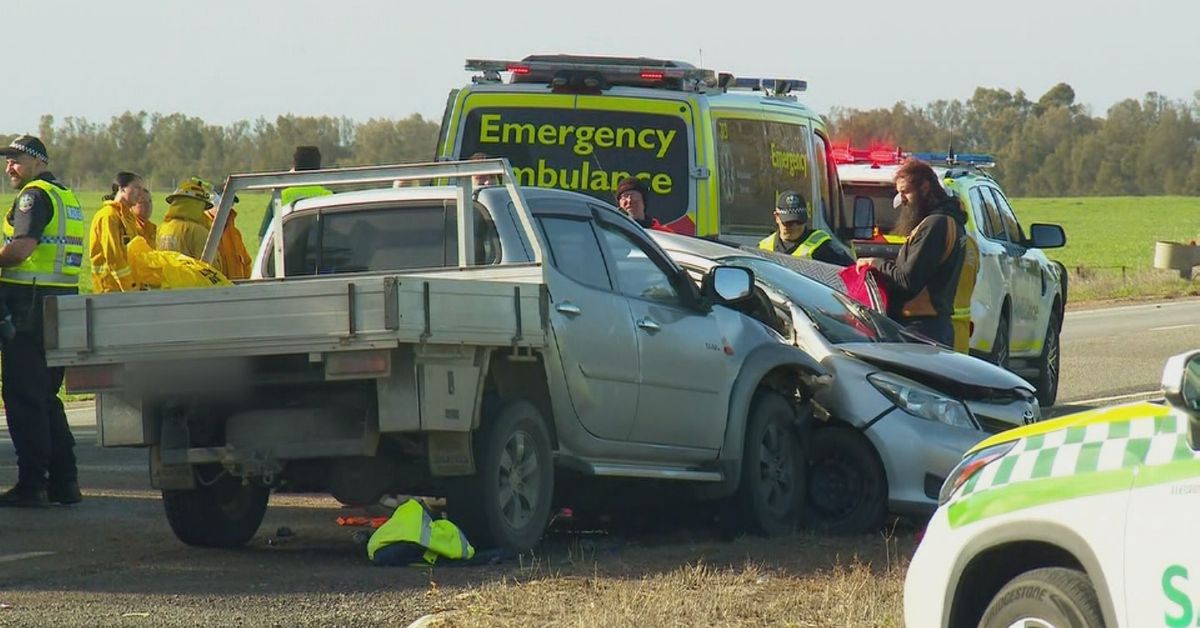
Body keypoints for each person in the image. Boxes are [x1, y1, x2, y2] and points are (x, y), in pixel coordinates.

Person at [0, 135, 84, 507]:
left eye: (16, 159)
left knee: (23, 396)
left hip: (28, 307)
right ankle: (64, 483)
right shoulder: (67, 196)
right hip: (59, 303)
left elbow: (21, 250)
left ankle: (32, 484)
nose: (9, 167)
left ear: (37, 161)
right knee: (47, 397)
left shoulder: (33, 196)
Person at [856, 158, 967, 347]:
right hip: (933, 328)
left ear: (924, 187)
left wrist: (876, 263)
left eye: (906, 192)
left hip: (921, 331)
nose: (902, 201)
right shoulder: (951, 222)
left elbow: (907, 280)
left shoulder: (935, 225)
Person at [758, 190, 853, 266]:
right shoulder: (764, 247)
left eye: (799, 221)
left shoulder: (822, 246)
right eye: (789, 222)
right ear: (776, 217)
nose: (795, 226)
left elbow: (849, 272)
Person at [89, 171, 146, 293]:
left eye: (142, 190)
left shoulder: (128, 217)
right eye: (137, 188)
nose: (141, 194)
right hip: (110, 289)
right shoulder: (109, 216)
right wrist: (130, 288)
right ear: (122, 189)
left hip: (126, 288)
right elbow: (113, 257)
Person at [258, 145, 332, 238]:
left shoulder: (280, 197)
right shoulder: (328, 196)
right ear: (318, 167)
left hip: (287, 251)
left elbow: (264, 236)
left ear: (294, 167)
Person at [158, 178, 220, 272]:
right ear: (198, 204)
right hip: (192, 283)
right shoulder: (198, 231)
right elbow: (210, 267)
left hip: (166, 283)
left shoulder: (161, 228)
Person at [206, 191, 252, 280]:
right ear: (212, 201)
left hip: (235, 290)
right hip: (213, 290)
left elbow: (247, 263)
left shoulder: (235, 233)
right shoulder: (202, 229)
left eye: (231, 203)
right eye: (223, 202)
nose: (228, 207)